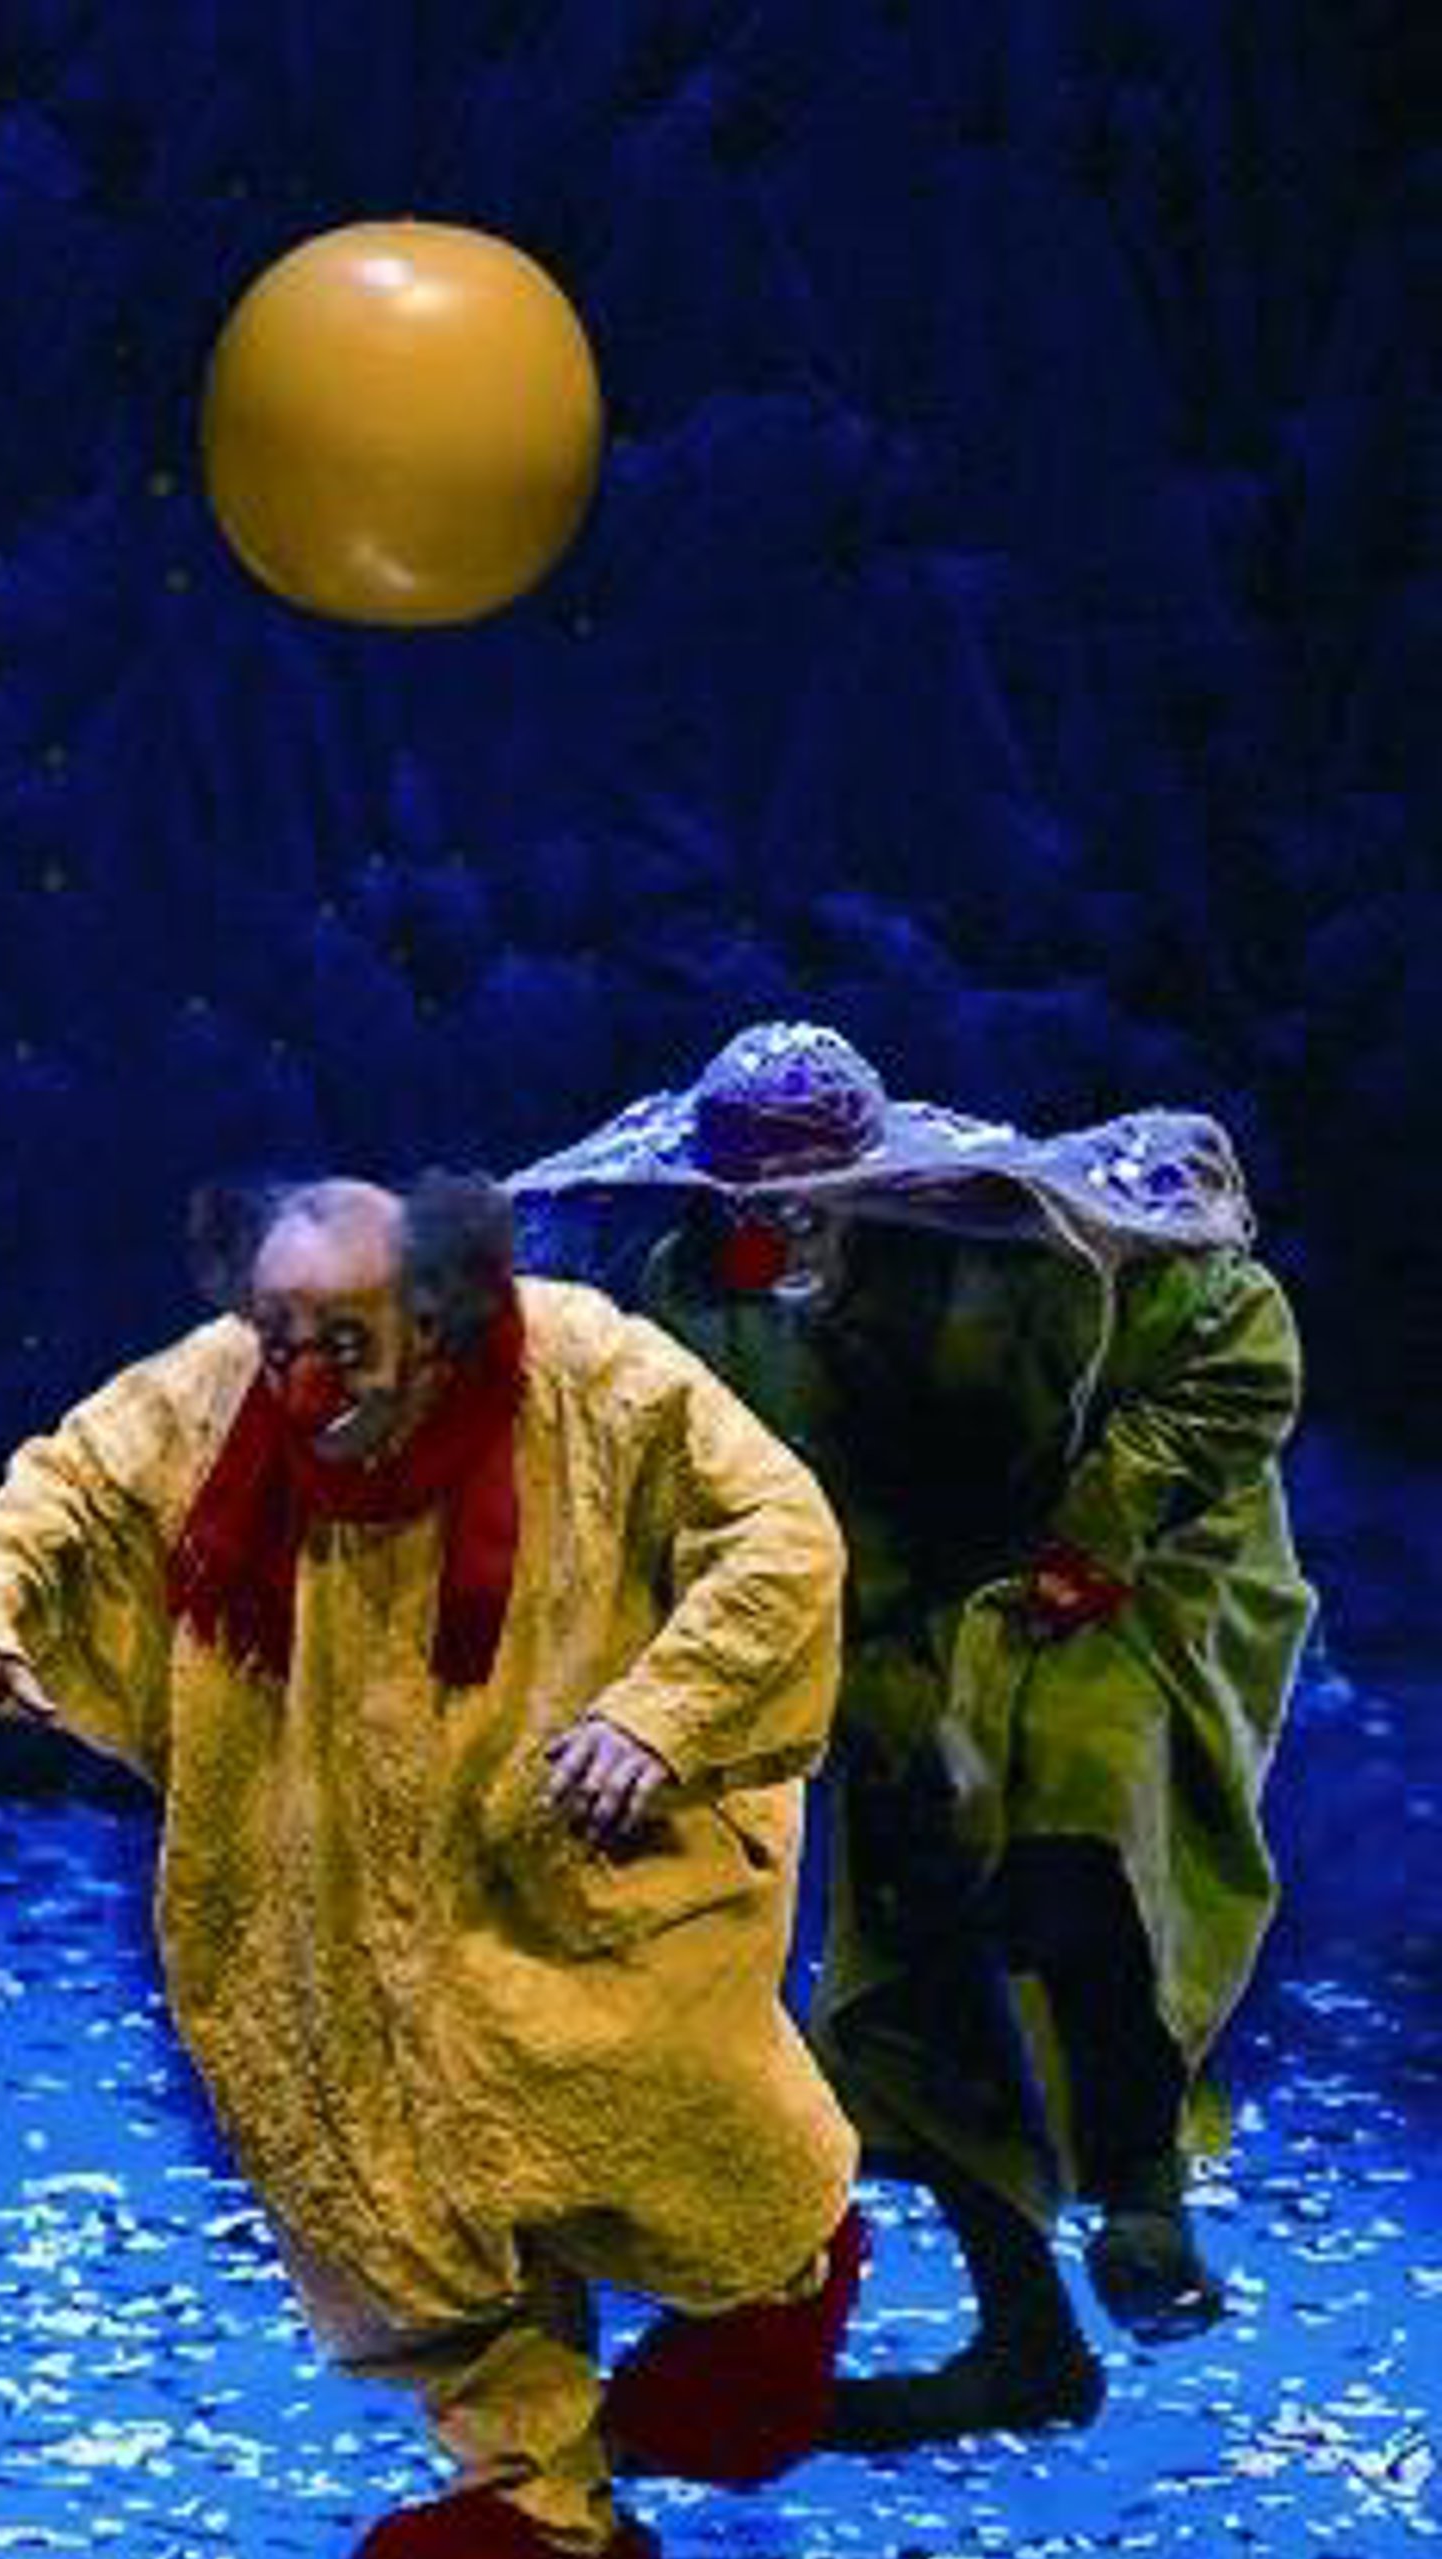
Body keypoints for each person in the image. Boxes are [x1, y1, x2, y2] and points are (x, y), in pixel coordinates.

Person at [0, 1170, 861, 2559]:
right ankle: (534, 2496)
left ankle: (779, 2283)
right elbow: (66, 1492)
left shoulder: (593, 1372)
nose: (300, 1377)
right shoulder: (215, 1391)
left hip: (563, 1841)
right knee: (390, 2187)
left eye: (344, 1341)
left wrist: (662, 1715)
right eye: (278, 1333)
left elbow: (776, 1534)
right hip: (320, 1878)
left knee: (666, 2100)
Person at [509, 1026, 1315, 2447]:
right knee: (912, 1976)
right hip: (891, 1628)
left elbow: (1230, 1337)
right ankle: (1029, 2343)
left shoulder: (1019, 1249)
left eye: (807, 1197)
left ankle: (1142, 2199)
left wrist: (1107, 1524)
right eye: (744, 1199)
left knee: (1078, 1828)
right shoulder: (693, 1299)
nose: (777, 1228)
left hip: (1100, 1599)